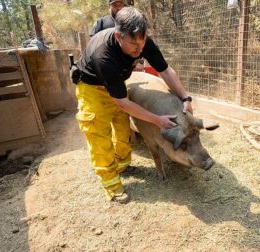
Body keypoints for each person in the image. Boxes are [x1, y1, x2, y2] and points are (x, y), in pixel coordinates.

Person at [75, 7, 193, 204]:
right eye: (133, 44)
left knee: (122, 129)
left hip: (118, 85)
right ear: (118, 37)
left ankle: (122, 165)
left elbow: (165, 70)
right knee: (99, 135)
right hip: (93, 88)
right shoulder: (104, 56)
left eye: (143, 41)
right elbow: (122, 103)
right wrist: (157, 120)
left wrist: (185, 98)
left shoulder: (139, 39)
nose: (139, 50)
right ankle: (111, 184)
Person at [90, 0, 144, 71]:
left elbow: (140, 42)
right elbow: (92, 45)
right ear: (109, 7)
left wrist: (140, 61)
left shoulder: (130, 22)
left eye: (120, 4)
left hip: (129, 67)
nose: (118, 7)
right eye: (115, 5)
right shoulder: (101, 22)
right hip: (108, 67)